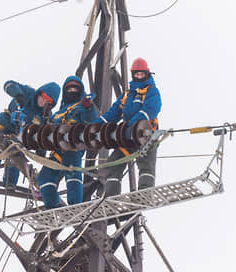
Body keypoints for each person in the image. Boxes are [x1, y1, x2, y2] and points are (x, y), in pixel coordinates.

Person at [93, 57, 162, 196]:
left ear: (147, 74)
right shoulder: (127, 95)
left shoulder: (151, 91)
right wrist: (97, 124)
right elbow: (114, 112)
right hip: (127, 136)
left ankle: (144, 195)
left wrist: (131, 124)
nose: (139, 77)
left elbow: (150, 109)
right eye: (136, 74)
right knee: (113, 164)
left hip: (145, 135)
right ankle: (111, 198)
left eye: (142, 74)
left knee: (146, 166)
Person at [0, 80, 60, 190]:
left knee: (16, 154)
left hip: (21, 135)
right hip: (6, 123)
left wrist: (41, 152)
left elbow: (41, 136)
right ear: (39, 93)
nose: (43, 102)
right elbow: (8, 85)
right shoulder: (28, 93)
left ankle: (10, 182)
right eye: (43, 97)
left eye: (47, 101)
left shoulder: (45, 117)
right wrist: (18, 95)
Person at [37, 75, 98, 209]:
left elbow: (91, 123)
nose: (72, 90)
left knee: (72, 175)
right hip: (57, 149)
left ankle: (75, 205)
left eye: (75, 88)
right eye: (69, 88)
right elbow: (46, 130)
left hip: (73, 146)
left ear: (80, 90)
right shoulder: (59, 113)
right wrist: (45, 117)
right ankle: (52, 204)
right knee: (44, 177)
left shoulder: (82, 106)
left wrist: (88, 108)